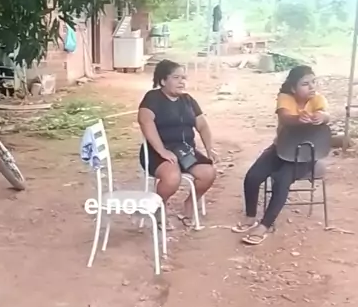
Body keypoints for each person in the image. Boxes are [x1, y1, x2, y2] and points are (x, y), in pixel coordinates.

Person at [234, 65, 330, 246]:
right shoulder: (285, 98)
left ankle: (264, 226)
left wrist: (321, 117)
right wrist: (297, 119)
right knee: (253, 176)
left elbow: (325, 114)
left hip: (306, 155)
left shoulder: (318, 99)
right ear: (293, 88)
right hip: (281, 148)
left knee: (281, 180)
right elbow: (284, 117)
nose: (311, 87)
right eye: (305, 84)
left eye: (313, 82)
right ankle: (250, 217)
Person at [138, 59, 216, 226]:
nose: (182, 82)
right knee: (172, 178)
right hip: (156, 151)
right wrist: (162, 151)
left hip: (184, 151)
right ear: (163, 81)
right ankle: (159, 207)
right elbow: (145, 122)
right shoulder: (152, 98)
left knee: (208, 173)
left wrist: (209, 149)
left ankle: (189, 205)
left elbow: (202, 126)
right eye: (176, 77)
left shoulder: (188, 100)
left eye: (183, 78)